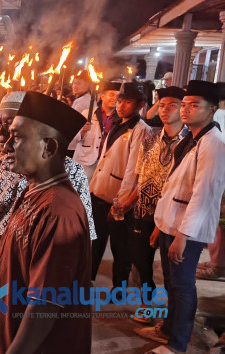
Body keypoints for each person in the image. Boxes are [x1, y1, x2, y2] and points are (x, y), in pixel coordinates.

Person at [0, 91, 92, 353]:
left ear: (49, 147)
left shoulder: (59, 211)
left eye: (18, 137)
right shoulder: (34, 192)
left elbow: (45, 303)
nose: (7, 144)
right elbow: (13, 262)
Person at [136, 80, 225, 353]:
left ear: (212, 109)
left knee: (183, 287)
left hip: (186, 230)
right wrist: (160, 225)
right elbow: (174, 185)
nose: (185, 110)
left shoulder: (214, 144)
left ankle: (177, 345)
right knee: (172, 284)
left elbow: (203, 196)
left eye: (194, 105)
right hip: (170, 224)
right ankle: (168, 329)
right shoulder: (191, 138)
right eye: (184, 104)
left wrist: (182, 237)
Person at [119, 86, 188, 324]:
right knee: (141, 261)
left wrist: (163, 222)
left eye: (172, 105)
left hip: (172, 216)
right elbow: (142, 175)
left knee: (172, 270)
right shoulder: (150, 137)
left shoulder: (190, 143)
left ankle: (173, 319)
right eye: (161, 105)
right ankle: (147, 305)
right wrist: (128, 201)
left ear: (183, 108)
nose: (166, 110)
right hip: (143, 210)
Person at [89, 82, 151, 289]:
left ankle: (119, 287)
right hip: (99, 191)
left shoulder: (140, 129)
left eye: (128, 102)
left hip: (118, 199)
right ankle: (87, 280)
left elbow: (134, 169)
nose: (121, 106)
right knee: (94, 240)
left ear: (141, 104)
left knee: (120, 246)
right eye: (120, 101)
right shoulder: (117, 123)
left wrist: (122, 201)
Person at [72, 81, 123, 180]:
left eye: (118, 96)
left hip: (106, 164)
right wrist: (82, 131)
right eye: (111, 95)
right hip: (85, 161)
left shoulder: (120, 118)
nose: (115, 98)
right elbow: (73, 137)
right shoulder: (87, 113)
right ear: (103, 96)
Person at [68, 70, 93, 156]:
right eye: (74, 83)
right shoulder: (87, 98)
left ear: (88, 84)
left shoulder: (82, 101)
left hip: (75, 144)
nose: (75, 86)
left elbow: (72, 123)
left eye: (78, 83)